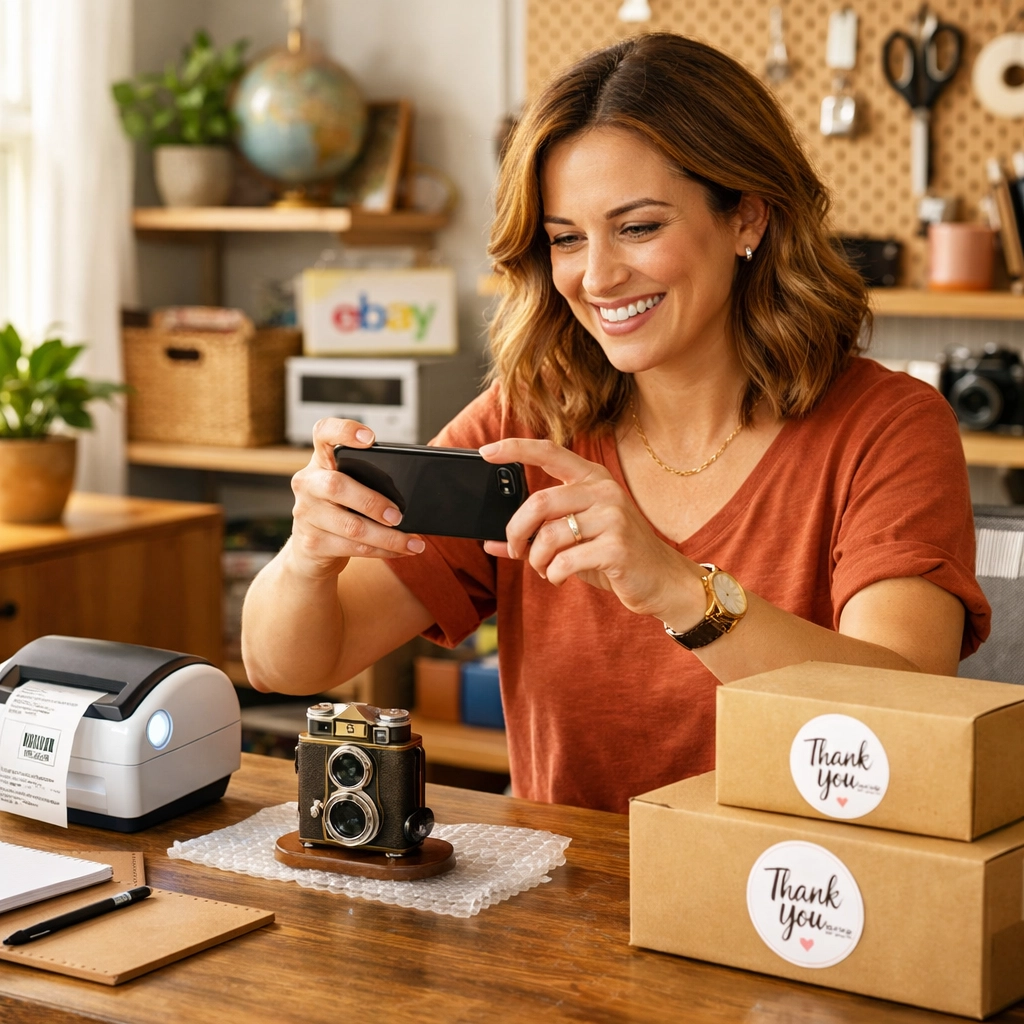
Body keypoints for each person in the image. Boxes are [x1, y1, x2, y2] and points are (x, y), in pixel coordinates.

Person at [242, 33, 989, 814]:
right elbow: (283, 664)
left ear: (748, 219)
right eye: (566, 238)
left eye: (638, 228)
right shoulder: (530, 419)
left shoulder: (888, 427)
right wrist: (308, 559)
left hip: (797, 900)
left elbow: (905, 715)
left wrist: (679, 590)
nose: (597, 277)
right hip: (569, 906)